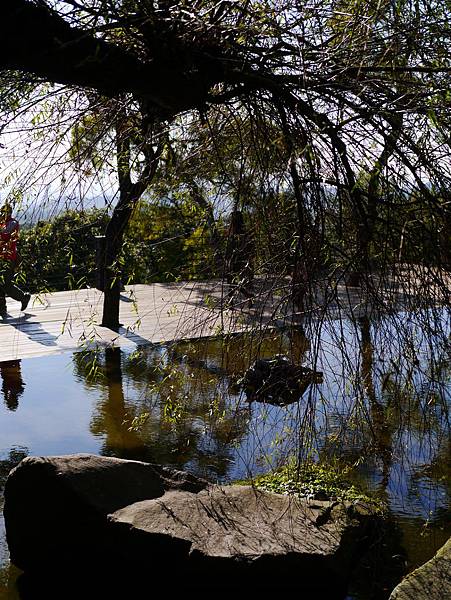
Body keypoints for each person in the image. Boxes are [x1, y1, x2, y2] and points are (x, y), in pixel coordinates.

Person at [0, 203, 30, 317]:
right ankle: (2, 308)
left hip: (8, 258)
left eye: (5, 212)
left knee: (6, 284)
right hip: (2, 258)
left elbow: (4, 234)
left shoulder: (12, 223)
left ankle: (23, 297)